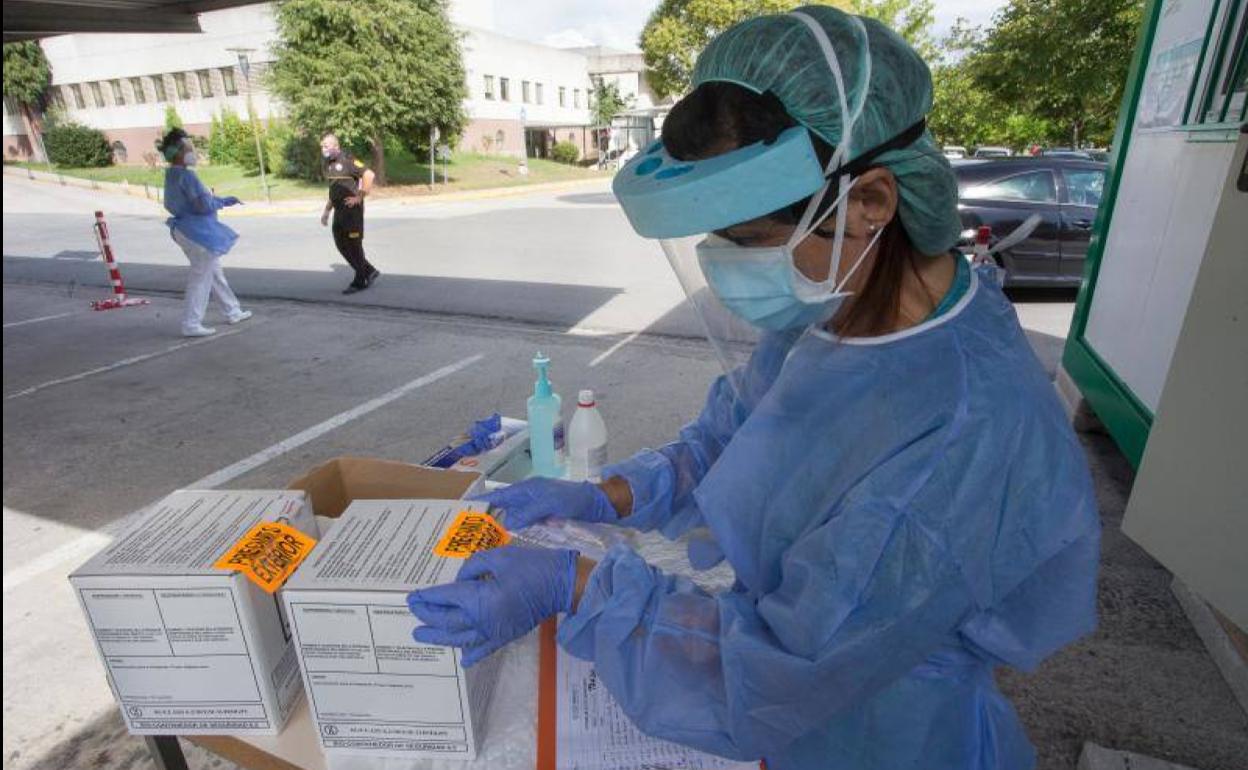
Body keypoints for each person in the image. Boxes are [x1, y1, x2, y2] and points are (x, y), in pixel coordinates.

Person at [407, 7, 1100, 770]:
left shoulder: (966, 428)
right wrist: (609, 495)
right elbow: (738, 437)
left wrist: (574, 586)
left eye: (747, 241)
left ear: (869, 201)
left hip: (888, 735)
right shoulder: (842, 305)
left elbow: (787, 666)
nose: (724, 264)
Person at [159, 128, 251, 337]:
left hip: (186, 229)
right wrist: (220, 201)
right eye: (188, 148)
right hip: (197, 232)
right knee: (201, 277)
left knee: (214, 272)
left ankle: (232, 310)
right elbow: (202, 205)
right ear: (177, 153)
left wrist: (215, 201)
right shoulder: (187, 176)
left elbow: (176, 204)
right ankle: (191, 323)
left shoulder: (172, 175)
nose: (193, 152)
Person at [320, 134, 380, 294]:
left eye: (326, 146)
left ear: (336, 146)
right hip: (339, 212)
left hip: (352, 212)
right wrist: (327, 211)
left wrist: (359, 196)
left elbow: (369, 175)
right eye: (322, 146)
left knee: (354, 245)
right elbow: (334, 190)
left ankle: (361, 280)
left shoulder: (348, 160)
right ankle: (368, 270)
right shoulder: (328, 164)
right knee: (341, 243)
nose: (323, 149)